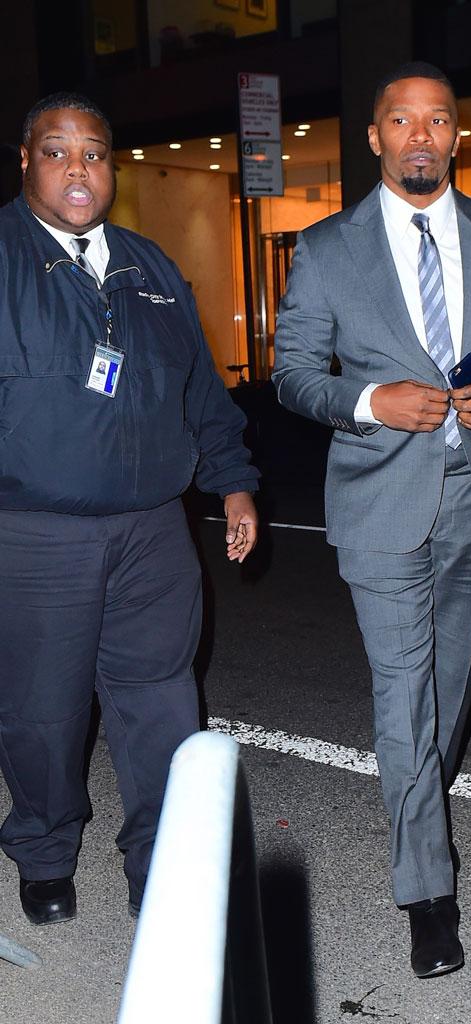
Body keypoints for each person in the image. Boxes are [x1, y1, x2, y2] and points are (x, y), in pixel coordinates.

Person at [273, 62, 471, 977]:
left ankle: (416, 792)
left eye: (436, 121)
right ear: (374, 138)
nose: (419, 135)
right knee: (402, 694)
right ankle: (426, 891)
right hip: (378, 503)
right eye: (399, 122)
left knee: (453, 686)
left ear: (458, 138)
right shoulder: (329, 248)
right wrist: (372, 400)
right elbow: (294, 373)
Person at [0, 93, 259, 926]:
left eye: (94, 153)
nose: (79, 169)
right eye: (57, 152)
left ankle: (161, 864)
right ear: (26, 161)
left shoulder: (148, 267)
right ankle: (43, 850)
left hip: (154, 530)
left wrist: (232, 479)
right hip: (34, 536)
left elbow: (199, 392)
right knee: (43, 714)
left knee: (163, 706)